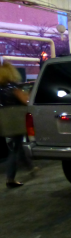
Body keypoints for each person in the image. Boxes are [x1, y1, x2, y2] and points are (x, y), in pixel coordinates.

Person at [0, 57, 34, 188]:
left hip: (5, 118)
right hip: (16, 118)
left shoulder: (1, 88)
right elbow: (25, 101)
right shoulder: (14, 87)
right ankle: (11, 178)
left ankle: (30, 168)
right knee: (15, 149)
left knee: (17, 146)